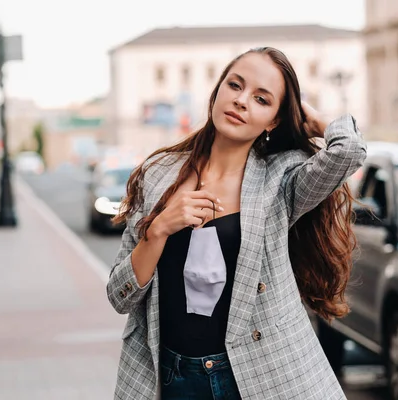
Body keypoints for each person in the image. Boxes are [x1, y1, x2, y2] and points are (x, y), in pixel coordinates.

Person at [107, 47, 367, 400]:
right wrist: (157, 231)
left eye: (261, 99)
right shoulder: (157, 176)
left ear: (274, 119)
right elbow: (119, 296)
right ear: (217, 92)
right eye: (235, 86)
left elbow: (348, 151)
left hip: (260, 378)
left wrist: (314, 119)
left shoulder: (282, 178)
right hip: (171, 379)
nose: (242, 101)